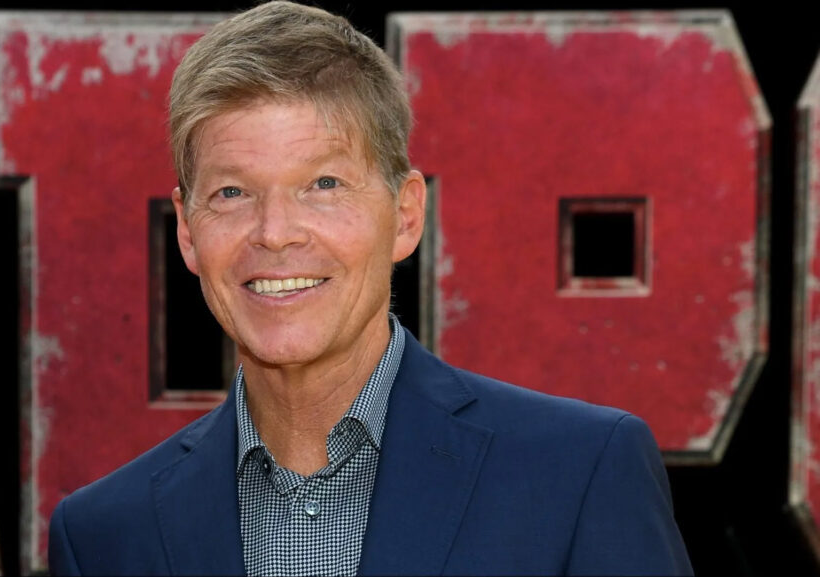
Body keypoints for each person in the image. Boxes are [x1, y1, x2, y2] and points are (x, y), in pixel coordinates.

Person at [47, 1, 693, 575]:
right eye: (233, 192)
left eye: (323, 185)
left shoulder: (578, 473)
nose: (275, 233)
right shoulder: (104, 535)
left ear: (405, 215)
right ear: (188, 232)